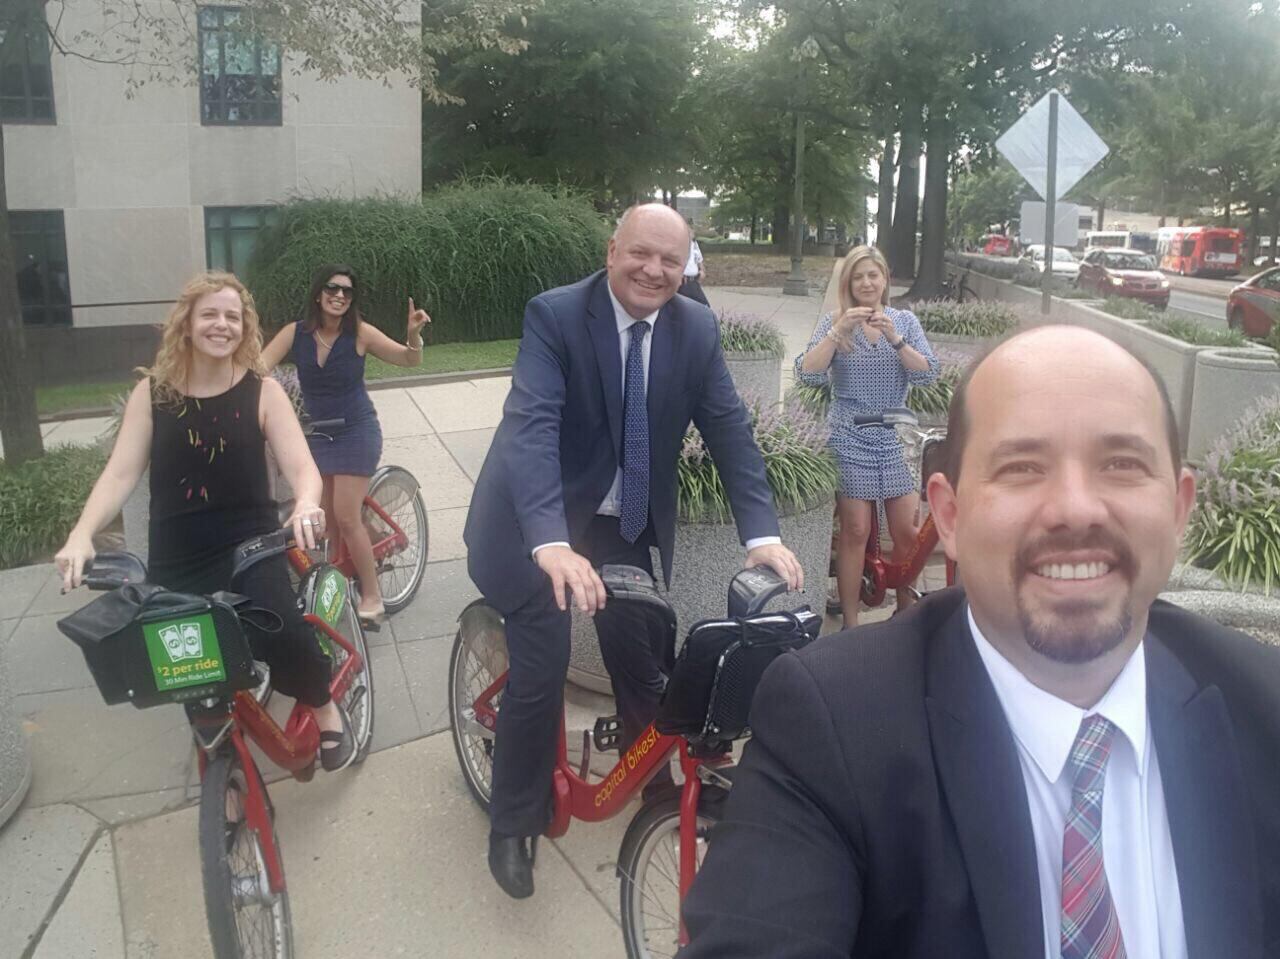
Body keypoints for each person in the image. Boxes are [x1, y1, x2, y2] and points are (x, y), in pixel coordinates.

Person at [680, 325, 1280, 958]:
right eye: (1022, 468)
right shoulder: (832, 724)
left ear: (1179, 510)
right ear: (950, 515)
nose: (1076, 509)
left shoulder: (1265, 706)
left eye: (1122, 465)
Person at [464, 202, 804, 900]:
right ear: (612, 250)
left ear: (687, 268)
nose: (653, 270)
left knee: (643, 647)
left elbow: (729, 430)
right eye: (640, 253)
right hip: (535, 520)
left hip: (620, 522)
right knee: (543, 660)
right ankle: (514, 820)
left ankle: (650, 783)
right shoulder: (556, 315)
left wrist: (762, 534)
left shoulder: (695, 327)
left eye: (670, 260)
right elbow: (532, 427)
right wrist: (550, 542)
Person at [55, 272, 358, 770]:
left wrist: (307, 502)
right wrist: (81, 534)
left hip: (249, 547)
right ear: (188, 323)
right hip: (177, 556)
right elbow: (120, 474)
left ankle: (324, 706)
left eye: (233, 316)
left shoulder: (263, 391)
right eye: (210, 314)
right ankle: (223, 769)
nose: (222, 325)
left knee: (282, 631)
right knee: (184, 667)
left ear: (246, 327)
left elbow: (302, 468)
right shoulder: (153, 394)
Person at [261, 265, 429, 627]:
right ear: (318, 294)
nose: (339, 295)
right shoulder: (294, 334)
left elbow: (408, 359)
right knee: (328, 522)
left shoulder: (360, 333)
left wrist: (413, 336)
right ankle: (340, 580)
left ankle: (372, 596)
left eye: (347, 292)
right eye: (332, 288)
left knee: (346, 515)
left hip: (357, 431)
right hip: (318, 434)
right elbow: (257, 370)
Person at [794, 245, 939, 627]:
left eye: (873, 275)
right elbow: (807, 373)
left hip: (895, 433)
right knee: (855, 529)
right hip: (849, 431)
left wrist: (896, 340)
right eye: (858, 277)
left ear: (885, 279)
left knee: (906, 533)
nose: (866, 283)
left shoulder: (904, 321)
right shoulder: (835, 322)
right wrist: (837, 332)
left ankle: (906, 615)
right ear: (849, 284)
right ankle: (851, 622)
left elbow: (927, 374)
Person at [680, 219, 710, 306]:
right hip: (682, 282)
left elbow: (699, 259)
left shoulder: (694, 244)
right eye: (688, 228)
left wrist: (702, 271)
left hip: (693, 281)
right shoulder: (678, 244)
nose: (691, 231)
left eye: (691, 228)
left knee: (704, 307)